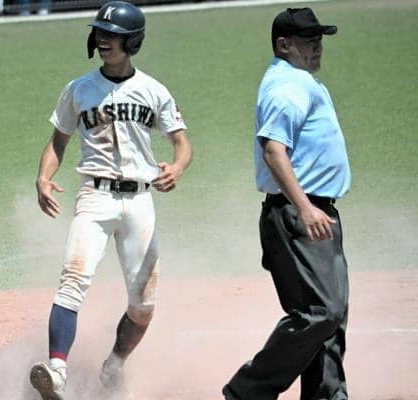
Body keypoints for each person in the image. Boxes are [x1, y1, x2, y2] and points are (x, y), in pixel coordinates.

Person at [28, 2, 192, 399]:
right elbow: (58, 140)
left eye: (112, 34)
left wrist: (177, 167)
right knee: (72, 281)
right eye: (99, 32)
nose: (103, 40)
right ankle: (57, 370)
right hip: (94, 198)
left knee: (144, 306)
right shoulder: (79, 89)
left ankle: (114, 365)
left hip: (140, 204)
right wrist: (43, 178)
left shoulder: (154, 91)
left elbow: (181, 143)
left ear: (131, 41)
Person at [222, 7, 351, 400]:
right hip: (300, 213)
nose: (318, 47)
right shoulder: (287, 87)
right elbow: (273, 151)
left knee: (331, 317)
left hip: (315, 211)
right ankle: (247, 392)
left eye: (319, 40)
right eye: (309, 41)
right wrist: (305, 207)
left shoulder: (299, 81)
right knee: (320, 313)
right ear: (284, 45)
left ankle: (327, 396)